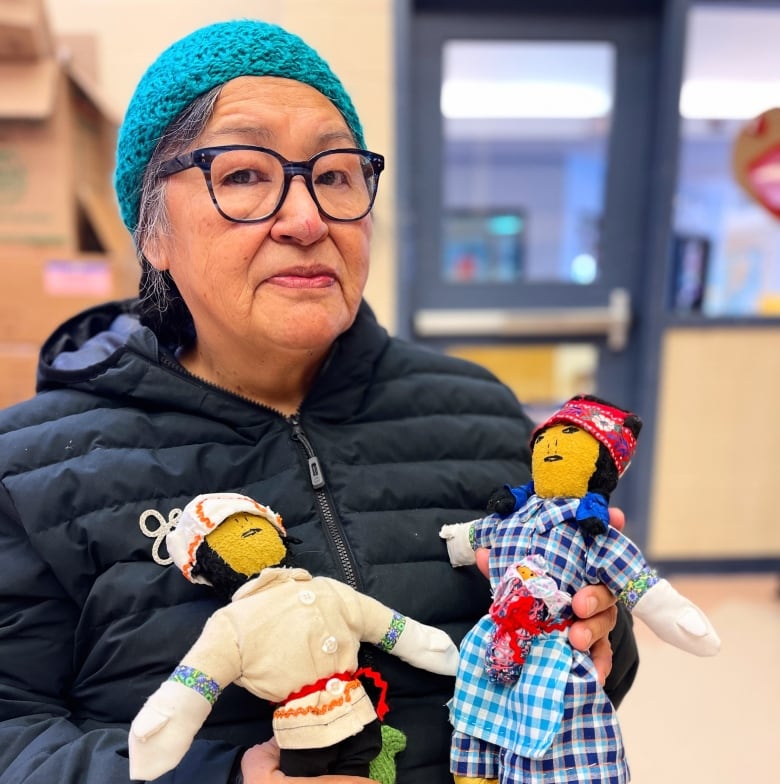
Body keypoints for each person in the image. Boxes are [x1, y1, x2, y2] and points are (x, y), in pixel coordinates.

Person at [0, 19, 638, 784]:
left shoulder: (477, 412)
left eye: (335, 176)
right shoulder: (33, 470)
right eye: (242, 175)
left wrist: (600, 628)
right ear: (152, 234)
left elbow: (565, 668)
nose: (307, 220)